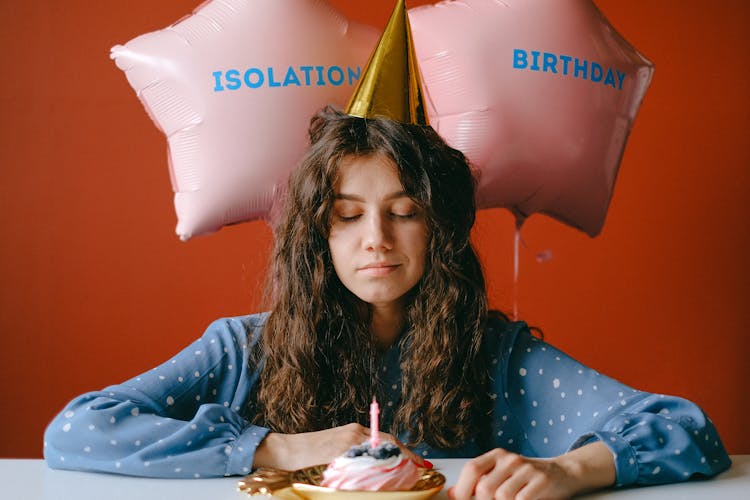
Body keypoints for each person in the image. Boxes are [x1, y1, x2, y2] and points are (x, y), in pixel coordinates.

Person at [45, 106, 730, 498]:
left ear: (441, 231)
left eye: (403, 211)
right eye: (347, 215)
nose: (376, 240)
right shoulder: (243, 349)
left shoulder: (495, 357)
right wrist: (274, 447)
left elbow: (686, 426)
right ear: (317, 234)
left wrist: (568, 469)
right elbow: (74, 432)